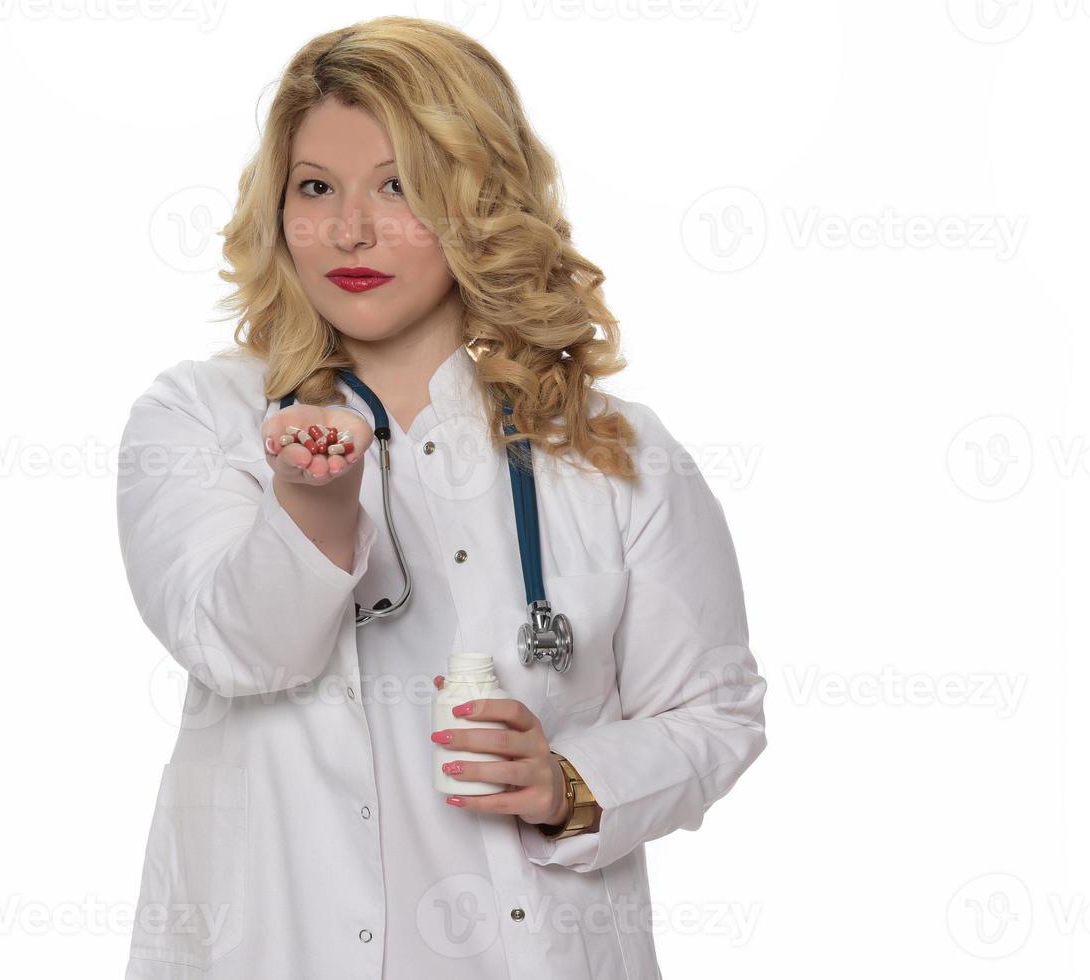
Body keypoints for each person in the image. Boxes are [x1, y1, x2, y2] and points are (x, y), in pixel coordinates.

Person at [115, 16, 767, 980]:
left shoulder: (614, 452)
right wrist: (312, 503)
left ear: (480, 196)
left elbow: (715, 712)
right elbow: (241, 651)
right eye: (315, 188)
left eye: (399, 186)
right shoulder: (202, 418)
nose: (349, 230)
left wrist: (571, 784)